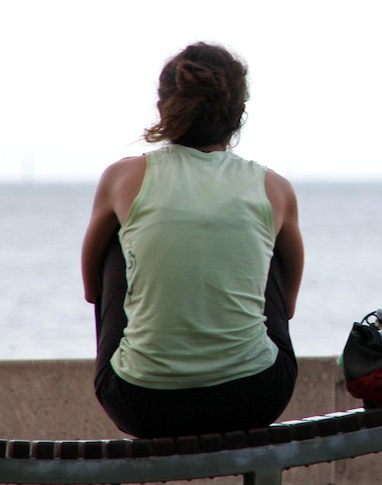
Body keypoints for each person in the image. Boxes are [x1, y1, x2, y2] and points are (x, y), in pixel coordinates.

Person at [81, 42, 303, 438]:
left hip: (141, 404)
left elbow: (92, 289)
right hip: (255, 397)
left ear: (164, 107)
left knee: (119, 237)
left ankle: (148, 357)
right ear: (238, 114)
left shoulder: (122, 178)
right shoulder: (274, 187)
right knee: (264, 238)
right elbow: (286, 307)